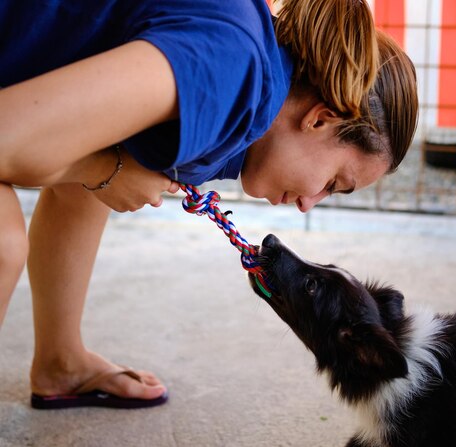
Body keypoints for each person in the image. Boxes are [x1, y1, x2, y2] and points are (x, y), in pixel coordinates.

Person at [0, 0, 418, 409]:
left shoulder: (253, 84)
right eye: (332, 183)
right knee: (3, 244)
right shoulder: (232, 69)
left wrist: (99, 166)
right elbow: (8, 138)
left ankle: (61, 360)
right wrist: (104, 170)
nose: (309, 204)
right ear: (320, 119)